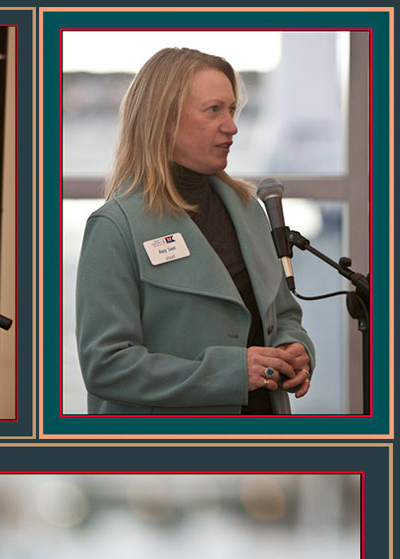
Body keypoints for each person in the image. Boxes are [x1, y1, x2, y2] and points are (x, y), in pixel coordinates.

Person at [76, 47, 315, 415]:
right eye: (213, 110)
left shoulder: (249, 208)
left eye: (232, 110)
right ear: (164, 119)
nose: (232, 126)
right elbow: (106, 366)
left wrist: (295, 350)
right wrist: (231, 371)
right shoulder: (115, 226)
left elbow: (283, 316)